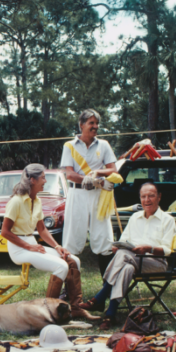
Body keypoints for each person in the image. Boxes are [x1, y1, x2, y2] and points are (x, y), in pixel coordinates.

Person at [1, 164, 96, 320]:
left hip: (31, 244)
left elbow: (42, 229)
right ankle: (46, 313)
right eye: (43, 177)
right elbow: (5, 232)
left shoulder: (37, 200)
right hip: (19, 249)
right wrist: (28, 246)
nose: (45, 180)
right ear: (32, 180)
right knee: (61, 266)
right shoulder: (16, 201)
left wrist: (58, 247)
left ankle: (76, 308)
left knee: (74, 261)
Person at [82, 183, 176, 330]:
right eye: (143, 196)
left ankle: (101, 297)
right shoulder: (134, 217)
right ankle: (110, 315)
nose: (147, 200)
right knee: (126, 267)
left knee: (124, 254)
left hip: (155, 263)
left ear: (159, 197)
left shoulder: (168, 220)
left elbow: (167, 250)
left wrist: (147, 248)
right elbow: (124, 240)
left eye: (151, 195)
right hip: (131, 260)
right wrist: (116, 246)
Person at [60, 109, 118, 277]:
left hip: (98, 194)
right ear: (81, 125)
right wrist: (91, 178)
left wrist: (96, 178)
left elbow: (113, 169)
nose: (95, 126)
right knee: (72, 237)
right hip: (77, 194)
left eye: (96, 123)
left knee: (104, 237)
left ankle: (107, 285)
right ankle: (69, 288)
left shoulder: (104, 145)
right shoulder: (69, 146)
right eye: (91, 123)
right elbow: (69, 174)